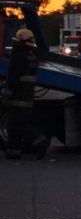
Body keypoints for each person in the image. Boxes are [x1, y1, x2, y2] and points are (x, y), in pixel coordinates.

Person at [1, 29, 49, 160]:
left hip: (17, 96)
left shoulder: (18, 56)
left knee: (18, 124)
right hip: (27, 96)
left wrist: (5, 94)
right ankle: (13, 152)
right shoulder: (32, 56)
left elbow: (12, 77)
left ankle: (40, 140)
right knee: (14, 124)